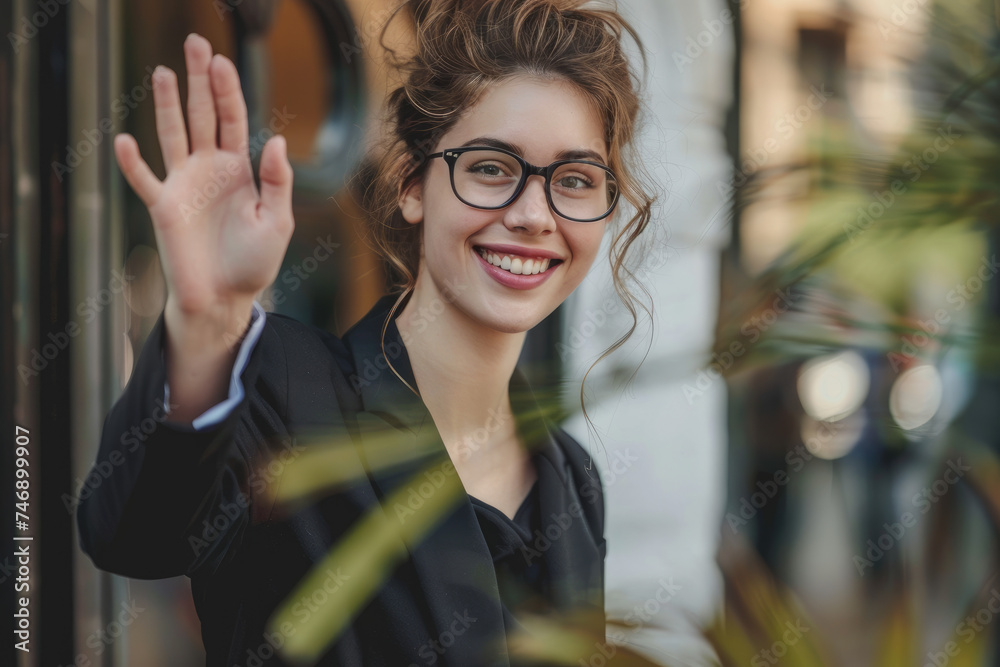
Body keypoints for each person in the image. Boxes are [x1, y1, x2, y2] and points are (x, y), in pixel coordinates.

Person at [76, 0, 656, 664]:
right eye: (492, 168)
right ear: (413, 183)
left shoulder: (572, 478)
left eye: (576, 180)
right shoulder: (285, 386)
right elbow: (132, 535)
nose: (533, 214)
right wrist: (205, 322)